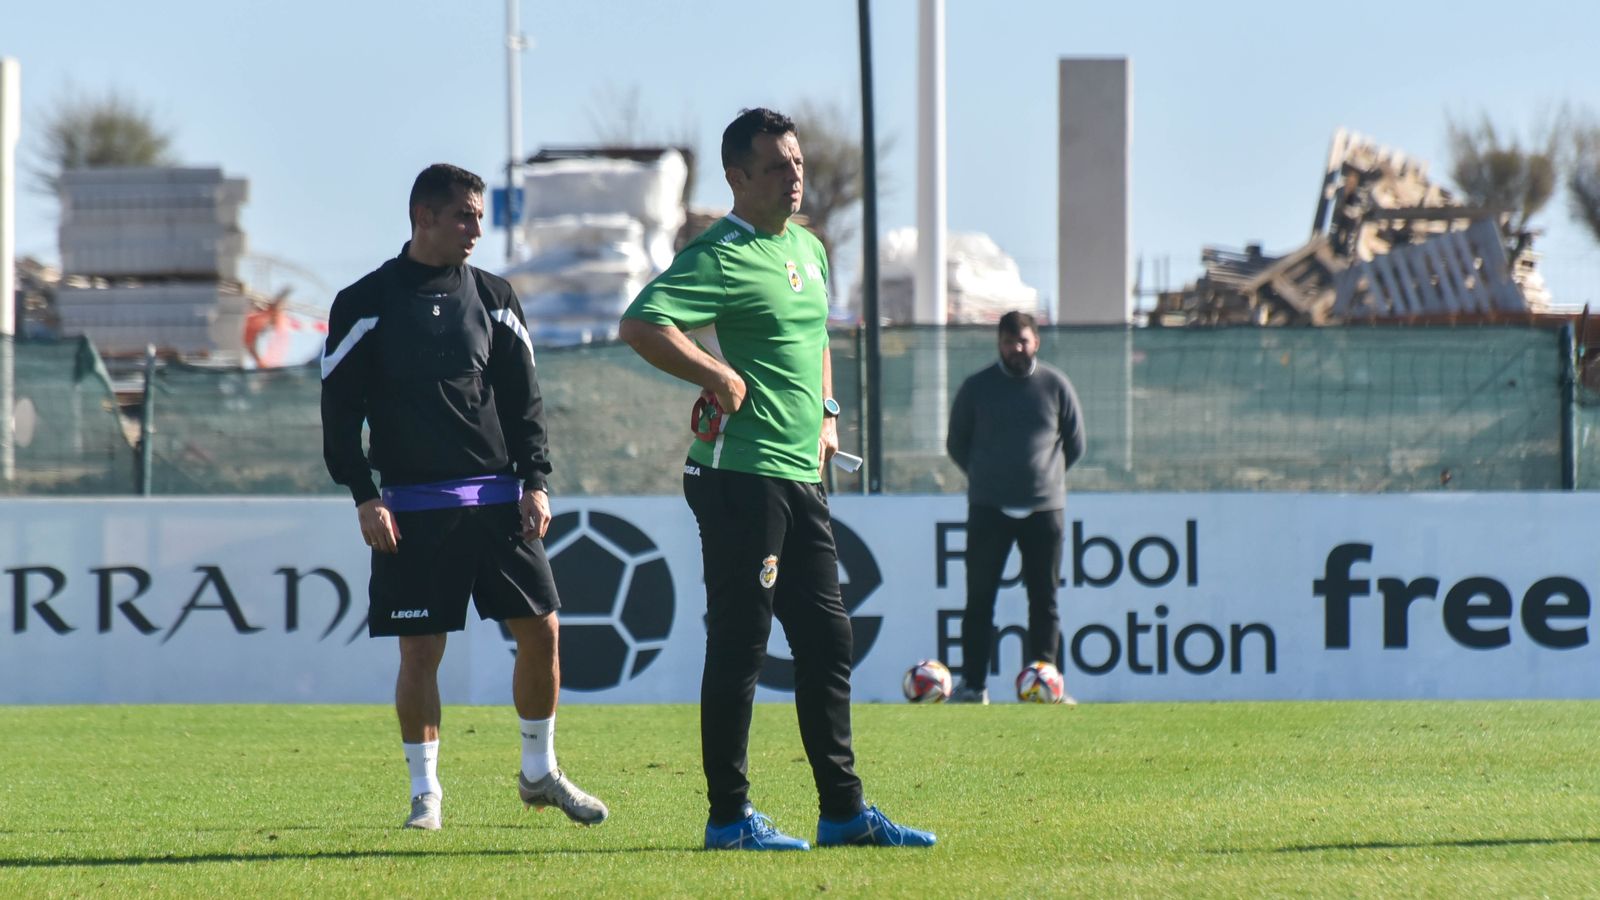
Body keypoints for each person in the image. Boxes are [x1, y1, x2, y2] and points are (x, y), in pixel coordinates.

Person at [619, 108, 934, 852]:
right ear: (738, 177)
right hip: (739, 479)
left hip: (800, 476)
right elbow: (642, 324)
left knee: (828, 640)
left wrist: (828, 414)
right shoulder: (718, 255)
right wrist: (716, 373)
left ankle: (843, 813)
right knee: (741, 646)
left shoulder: (811, 250)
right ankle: (728, 818)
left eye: (797, 162)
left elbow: (817, 336)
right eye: (777, 166)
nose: (795, 175)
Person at [320, 163, 607, 831]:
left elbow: (524, 399)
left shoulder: (496, 295)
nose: (477, 227)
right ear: (422, 216)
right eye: (463, 216)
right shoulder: (363, 302)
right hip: (413, 510)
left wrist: (536, 479)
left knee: (543, 631)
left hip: (501, 502)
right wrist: (364, 495)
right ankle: (426, 795)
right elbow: (340, 412)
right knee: (421, 654)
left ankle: (539, 771)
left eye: (479, 215)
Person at [945, 311, 1086, 704]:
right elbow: (957, 443)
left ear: (1036, 341)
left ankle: (1045, 684)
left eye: (1022, 341)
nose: (1016, 349)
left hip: (1045, 511)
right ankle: (973, 685)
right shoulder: (977, 388)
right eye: (1008, 342)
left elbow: (1075, 444)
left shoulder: (1056, 385)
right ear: (999, 344)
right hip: (989, 509)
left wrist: (1045, 480)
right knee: (979, 600)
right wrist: (988, 477)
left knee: (1044, 600)